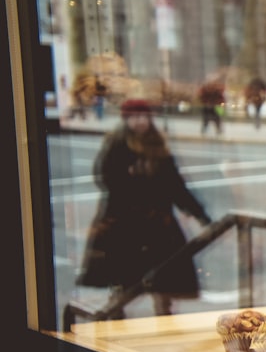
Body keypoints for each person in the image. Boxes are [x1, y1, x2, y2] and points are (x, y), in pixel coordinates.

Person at [78, 98, 212, 317]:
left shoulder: (157, 145)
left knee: (164, 279)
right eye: (134, 117)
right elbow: (106, 177)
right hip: (125, 224)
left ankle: (163, 315)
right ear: (126, 120)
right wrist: (134, 182)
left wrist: (200, 214)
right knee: (124, 278)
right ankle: (116, 315)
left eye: (144, 116)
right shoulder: (117, 144)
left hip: (157, 224)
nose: (140, 121)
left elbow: (176, 186)